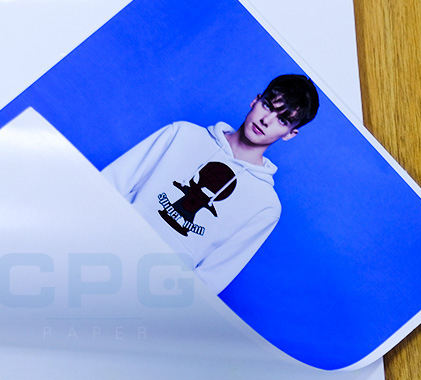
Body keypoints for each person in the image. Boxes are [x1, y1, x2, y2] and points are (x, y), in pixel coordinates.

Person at [101, 74, 319, 295]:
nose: (266, 120)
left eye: (282, 120)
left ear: (290, 134)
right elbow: (108, 185)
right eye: (267, 106)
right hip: (102, 250)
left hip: (151, 296)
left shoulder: (266, 206)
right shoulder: (182, 134)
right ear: (255, 100)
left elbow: (210, 280)